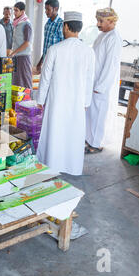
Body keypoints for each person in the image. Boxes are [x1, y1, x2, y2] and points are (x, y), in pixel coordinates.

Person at [36, 11, 95, 175]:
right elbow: (90, 79)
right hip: (77, 101)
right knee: (72, 134)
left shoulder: (55, 49)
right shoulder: (88, 52)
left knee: (55, 132)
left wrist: (40, 100)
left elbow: (45, 77)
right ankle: (72, 167)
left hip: (57, 100)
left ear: (66, 27)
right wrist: (86, 103)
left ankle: (52, 165)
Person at [85, 8, 122, 154]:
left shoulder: (114, 38)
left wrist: (101, 85)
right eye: (98, 20)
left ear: (111, 21)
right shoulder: (102, 35)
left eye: (101, 21)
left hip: (103, 84)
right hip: (95, 81)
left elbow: (110, 65)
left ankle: (96, 143)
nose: (98, 24)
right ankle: (90, 139)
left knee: (100, 114)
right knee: (92, 113)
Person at [35, 0, 64, 74]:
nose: (46, 12)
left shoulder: (61, 25)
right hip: (46, 62)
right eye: (45, 9)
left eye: (48, 9)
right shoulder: (47, 24)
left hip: (56, 64)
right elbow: (46, 47)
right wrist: (40, 61)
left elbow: (64, 46)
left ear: (56, 9)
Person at [9, 2, 33, 89]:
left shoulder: (26, 24)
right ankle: (19, 101)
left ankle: (28, 100)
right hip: (17, 56)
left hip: (23, 56)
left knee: (25, 80)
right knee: (17, 80)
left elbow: (27, 43)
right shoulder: (17, 23)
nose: (14, 13)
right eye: (14, 10)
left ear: (22, 11)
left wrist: (14, 52)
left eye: (16, 10)